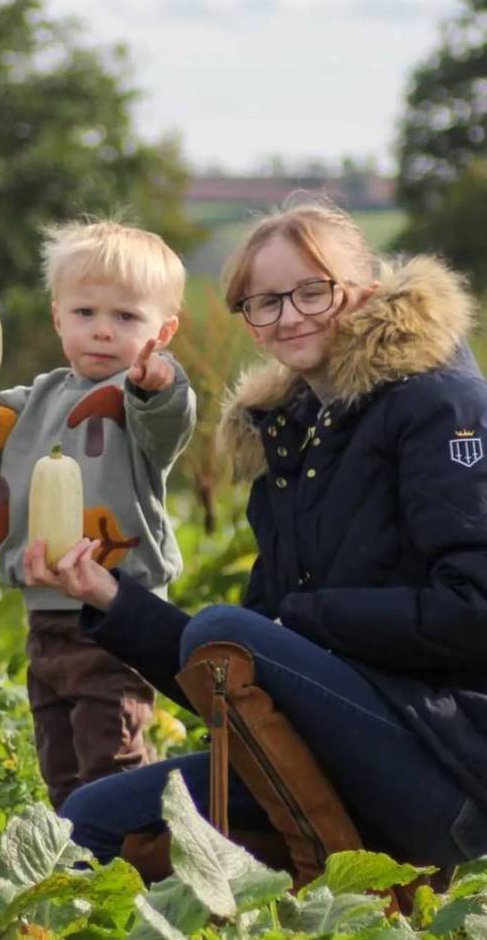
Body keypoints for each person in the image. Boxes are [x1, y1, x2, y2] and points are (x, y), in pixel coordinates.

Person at [27, 201, 487, 885]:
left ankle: (375, 880)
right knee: (89, 819)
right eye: (265, 302)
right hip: (321, 754)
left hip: (447, 767)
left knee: (228, 628)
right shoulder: (287, 436)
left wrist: (298, 623)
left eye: (312, 291)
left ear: (365, 291)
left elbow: (475, 608)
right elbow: (234, 674)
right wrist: (111, 599)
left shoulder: (441, 405)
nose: (289, 316)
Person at [0, 219, 196, 809]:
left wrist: (158, 384)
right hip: (46, 614)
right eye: (85, 313)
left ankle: (135, 847)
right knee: (59, 755)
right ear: (58, 318)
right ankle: (76, 846)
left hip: (116, 612)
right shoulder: (32, 402)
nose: (102, 330)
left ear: (163, 331)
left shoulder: (139, 401)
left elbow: (168, 421)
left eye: (125, 317)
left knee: (110, 754)